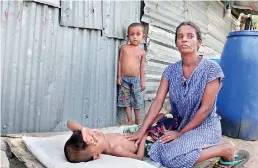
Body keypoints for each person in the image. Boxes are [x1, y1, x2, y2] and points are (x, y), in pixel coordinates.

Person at [124, 21, 249, 168]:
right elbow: (158, 102)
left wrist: (180, 133)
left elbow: (205, 109)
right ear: (176, 43)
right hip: (180, 124)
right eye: (180, 36)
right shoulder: (170, 71)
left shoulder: (211, 69)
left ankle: (225, 149)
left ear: (199, 42)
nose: (184, 39)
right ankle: (205, 152)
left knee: (171, 158)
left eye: (190, 36)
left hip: (205, 126)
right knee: (158, 150)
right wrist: (141, 131)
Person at [64, 114, 180, 163]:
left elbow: (69, 123)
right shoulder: (116, 149)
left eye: (91, 135)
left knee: (159, 115)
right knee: (171, 121)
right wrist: (144, 138)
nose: (95, 134)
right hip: (143, 141)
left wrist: (83, 129)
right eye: (94, 140)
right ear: (97, 155)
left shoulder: (90, 135)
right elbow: (139, 157)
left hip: (135, 132)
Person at [117, 22, 146, 125]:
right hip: (124, 79)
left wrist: (142, 81)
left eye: (138, 34)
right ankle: (130, 121)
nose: (134, 37)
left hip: (136, 80)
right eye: (132, 34)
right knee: (126, 101)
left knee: (137, 101)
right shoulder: (124, 48)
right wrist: (119, 76)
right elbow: (120, 62)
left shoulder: (141, 51)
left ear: (143, 36)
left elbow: (142, 68)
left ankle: (138, 123)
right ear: (127, 36)